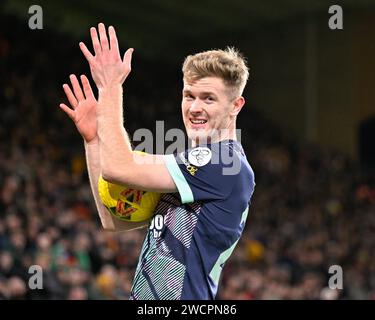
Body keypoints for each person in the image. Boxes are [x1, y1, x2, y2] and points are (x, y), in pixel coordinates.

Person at [60, 23, 255, 300]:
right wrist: (93, 141)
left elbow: (119, 168)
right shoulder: (193, 170)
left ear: (236, 105)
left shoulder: (224, 163)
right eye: (189, 96)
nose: (195, 107)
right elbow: (113, 220)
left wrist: (110, 87)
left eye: (209, 99)